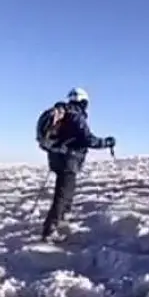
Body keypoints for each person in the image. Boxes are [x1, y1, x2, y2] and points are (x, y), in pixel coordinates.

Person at [37, 87, 116, 241]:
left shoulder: (63, 113)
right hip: (69, 160)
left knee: (65, 193)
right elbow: (88, 139)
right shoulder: (76, 115)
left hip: (56, 158)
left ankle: (61, 222)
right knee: (62, 195)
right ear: (83, 101)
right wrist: (107, 142)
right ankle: (50, 230)